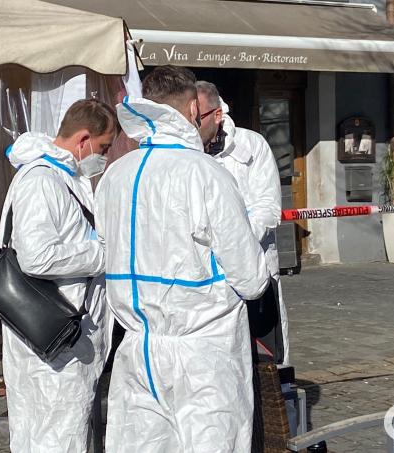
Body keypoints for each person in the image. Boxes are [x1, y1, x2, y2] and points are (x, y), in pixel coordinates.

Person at [95, 65, 270, 453]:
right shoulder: (206, 175)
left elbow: (105, 248)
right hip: (205, 353)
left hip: (138, 349)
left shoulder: (115, 176)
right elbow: (251, 278)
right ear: (193, 108)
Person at [0, 99, 117, 452]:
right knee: (56, 433)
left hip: (59, 334)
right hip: (54, 337)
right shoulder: (41, 180)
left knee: (52, 428)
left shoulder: (59, 176)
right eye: (104, 147)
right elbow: (37, 257)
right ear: (83, 140)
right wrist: (103, 256)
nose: (105, 157)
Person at [196, 81, 289, 365]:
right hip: (207, 280)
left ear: (217, 114)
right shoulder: (187, 152)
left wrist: (233, 242)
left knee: (266, 365)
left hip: (256, 272)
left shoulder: (252, 145)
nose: (190, 126)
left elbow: (268, 209)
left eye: (196, 119)